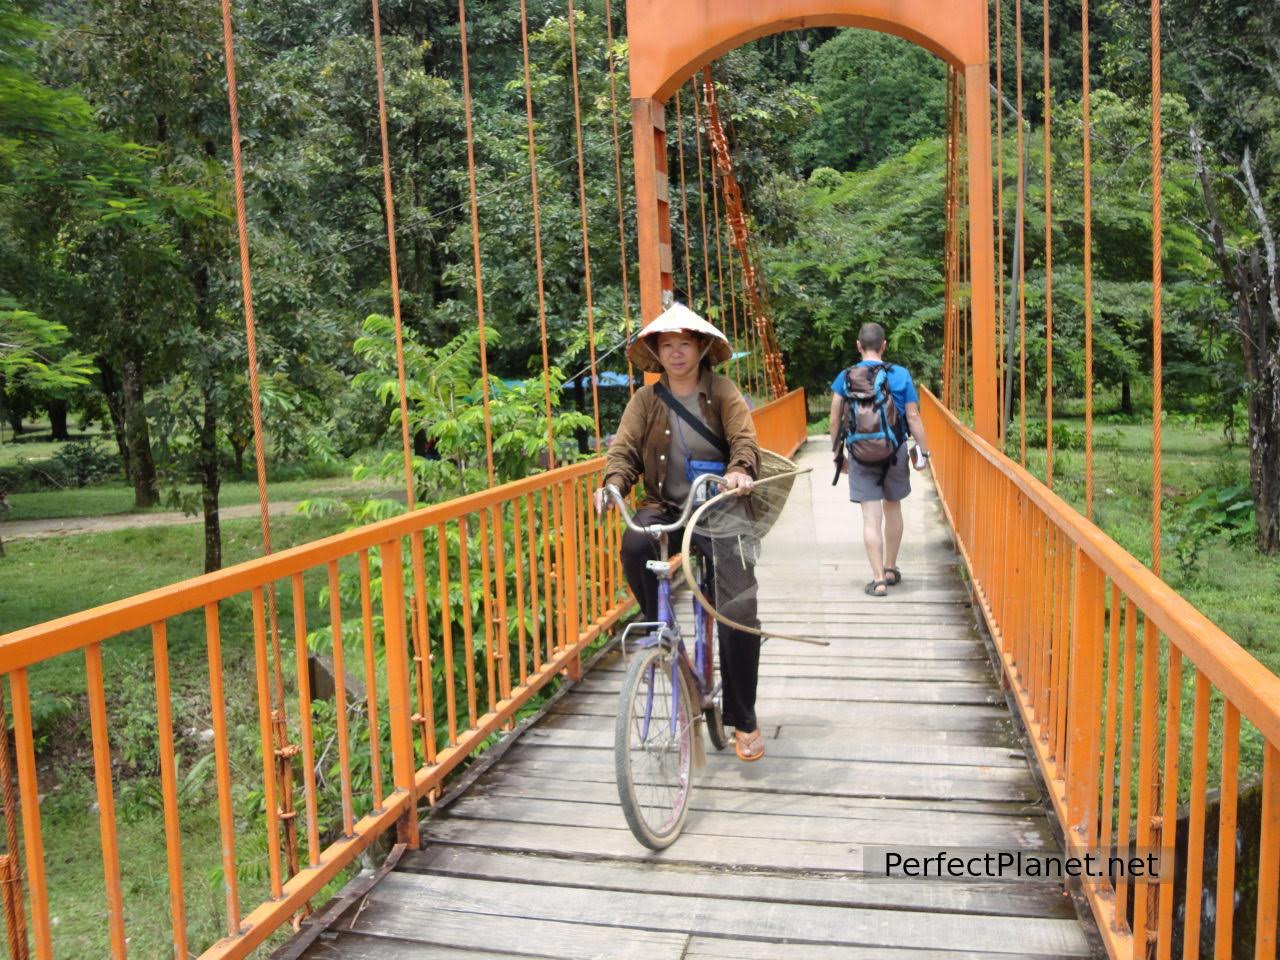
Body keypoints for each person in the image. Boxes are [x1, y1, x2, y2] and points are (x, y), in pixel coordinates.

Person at [594, 302, 767, 762]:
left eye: (683, 344)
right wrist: (613, 485)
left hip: (720, 507)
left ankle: (743, 719)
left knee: (738, 610)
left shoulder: (724, 391)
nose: (674, 353)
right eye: (666, 345)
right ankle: (659, 631)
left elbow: (745, 440)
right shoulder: (645, 401)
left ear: (701, 348)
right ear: (656, 351)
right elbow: (624, 450)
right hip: (667, 505)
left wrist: (740, 470)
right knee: (634, 543)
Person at [829, 322, 932, 597]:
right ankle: (890, 567)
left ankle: (877, 581)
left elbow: (834, 418)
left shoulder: (845, 376)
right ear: (884, 345)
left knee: (870, 519)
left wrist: (838, 454)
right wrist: (923, 452)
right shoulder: (900, 375)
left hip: (860, 454)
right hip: (895, 451)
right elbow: (912, 416)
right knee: (893, 509)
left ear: (858, 345)